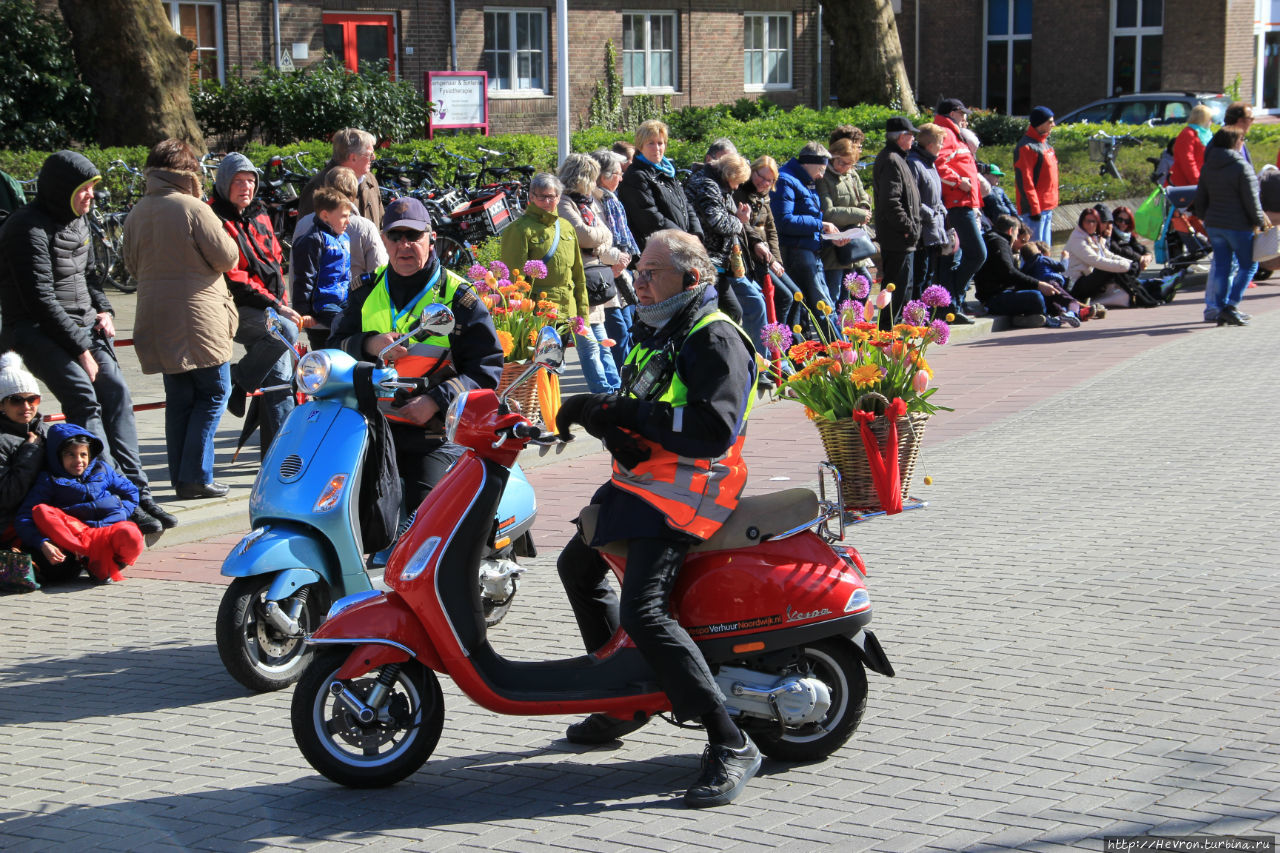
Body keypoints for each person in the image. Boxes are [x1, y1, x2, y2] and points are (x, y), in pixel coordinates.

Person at [554, 229, 762, 809]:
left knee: (645, 611)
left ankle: (731, 741)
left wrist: (627, 413)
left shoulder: (714, 336)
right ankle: (629, 696)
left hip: (690, 488)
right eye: (638, 272)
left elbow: (710, 431)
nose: (637, 282)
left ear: (690, 279)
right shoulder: (660, 327)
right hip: (646, 480)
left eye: (650, 273)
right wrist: (596, 413)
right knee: (576, 566)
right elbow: (645, 410)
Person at [0, 151, 175, 533]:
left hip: (81, 326)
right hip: (33, 329)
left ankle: (137, 492)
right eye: (85, 189)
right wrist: (81, 349)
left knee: (116, 392)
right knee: (84, 399)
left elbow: (91, 276)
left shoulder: (80, 222)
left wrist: (105, 309)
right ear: (63, 189)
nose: (91, 197)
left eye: (94, 188)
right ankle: (105, 494)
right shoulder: (25, 228)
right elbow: (40, 299)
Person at [331, 197, 503, 511]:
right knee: (336, 507)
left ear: (431, 238)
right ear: (384, 240)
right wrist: (369, 343)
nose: (404, 245)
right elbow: (334, 346)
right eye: (395, 237)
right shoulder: (365, 291)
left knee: (424, 517)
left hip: (435, 436)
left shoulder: (458, 296)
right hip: (371, 432)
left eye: (414, 236)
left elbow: (486, 368)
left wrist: (435, 401)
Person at [124, 138, 241, 500]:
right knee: (214, 391)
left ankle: (182, 477)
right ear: (188, 170)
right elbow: (227, 257)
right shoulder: (193, 208)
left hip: (155, 318)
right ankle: (196, 476)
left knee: (178, 398)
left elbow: (130, 266)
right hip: (199, 317)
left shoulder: (137, 211)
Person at [209, 153, 301, 455]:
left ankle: (279, 457)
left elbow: (276, 263)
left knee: (280, 383)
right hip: (238, 307)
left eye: (251, 181)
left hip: (271, 306)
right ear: (224, 183)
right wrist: (278, 305)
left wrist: (282, 301)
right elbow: (234, 277)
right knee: (284, 331)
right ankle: (242, 377)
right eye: (238, 181)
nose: (246, 187)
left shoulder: (260, 213)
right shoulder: (214, 218)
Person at [501, 173, 612, 393]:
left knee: (580, 353)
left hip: (568, 309)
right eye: (541, 197)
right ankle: (543, 411)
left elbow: (578, 274)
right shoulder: (519, 229)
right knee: (544, 366)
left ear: (559, 197)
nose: (547, 202)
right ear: (531, 197)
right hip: (539, 312)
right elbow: (513, 281)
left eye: (552, 197)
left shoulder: (566, 227)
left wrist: (582, 314)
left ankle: (597, 398)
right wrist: (519, 316)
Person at [15, 424, 144, 584]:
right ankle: (91, 557)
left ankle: (96, 560)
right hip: (75, 535)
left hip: (107, 529)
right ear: (58, 457)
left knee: (131, 533)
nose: (79, 461)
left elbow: (131, 492)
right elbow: (25, 516)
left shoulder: (102, 469)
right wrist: (42, 543)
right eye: (71, 455)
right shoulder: (49, 480)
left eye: (83, 454)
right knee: (41, 511)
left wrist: (121, 513)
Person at [0, 354, 79, 584]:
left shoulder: (48, 432)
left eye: (32, 399)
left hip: (48, 518)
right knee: (59, 571)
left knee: (68, 566)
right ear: (2, 405)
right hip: (13, 525)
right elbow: (7, 496)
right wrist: (30, 453)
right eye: (16, 400)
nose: (26, 406)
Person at [684, 152, 769, 360]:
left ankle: (732, 357)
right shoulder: (707, 185)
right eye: (737, 181)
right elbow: (718, 222)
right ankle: (725, 358)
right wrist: (740, 221)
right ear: (729, 174)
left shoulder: (718, 184)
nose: (738, 187)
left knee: (732, 311)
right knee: (730, 312)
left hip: (719, 262)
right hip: (708, 261)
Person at [557, 154, 624, 394]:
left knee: (603, 344)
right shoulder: (564, 203)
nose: (595, 184)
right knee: (589, 347)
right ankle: (603, 392)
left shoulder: (585, 204)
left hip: (592, 284)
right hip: (577, 285)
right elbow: (583, 235)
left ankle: (614, 389)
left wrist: (595, 240)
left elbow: (604, 234)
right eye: (592, 179)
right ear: (583, 178)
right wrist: (597, 239)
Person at [1194, 125, 1269, 326]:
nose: (1243, 143)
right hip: (1238, 226)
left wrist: (1203, 217)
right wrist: (1259, 222)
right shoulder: (1241, 166)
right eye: (1242, 140)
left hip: (1215, 224)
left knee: (1222, 268)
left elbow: (1200, 196)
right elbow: (1252, 199)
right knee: (1249, 265)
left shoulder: (1209, 165)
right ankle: (1231, 306)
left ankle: (1219, 309)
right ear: (1235, 142)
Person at [772, 142, 844, 336]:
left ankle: (836, 349)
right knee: (823, 305)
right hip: (797, 252)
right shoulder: (786, 180)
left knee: (822, 304)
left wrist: (828, 236)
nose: (822, 175)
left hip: (809, 249)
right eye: (821, 169)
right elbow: (784, 221)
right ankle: (842, 352)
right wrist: (821, 225)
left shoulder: (805, 181)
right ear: (808, 164)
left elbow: (808, 217)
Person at [734, 155, 804, 334]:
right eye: (761, 177)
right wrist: (770, 261)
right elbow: (744, 229)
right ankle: (776, 340)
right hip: (753, 257)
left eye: (769, 180)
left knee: (797, 296)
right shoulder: (740, 193)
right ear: (752, 171)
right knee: (785, 297)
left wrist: (777, 261)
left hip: (768, 256)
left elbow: (771, 230)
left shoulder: (764, 197)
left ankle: (790, 340)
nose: (764, 183)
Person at [933, 98, 987, 322]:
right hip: (957, 204)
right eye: (963, 114)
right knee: (977, 253)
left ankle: (952, 303)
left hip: (965, 203)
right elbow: (939, 163)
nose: (965, 118)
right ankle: (951, 295)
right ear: (953, 113)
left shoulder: (956, 135)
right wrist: (958, 182)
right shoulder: (946, 134)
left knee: (960, 256)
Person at [975, 214, 1079, 327]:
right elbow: (1009, 273)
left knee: (1044, 292)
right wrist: (1038, 284)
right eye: (1017, 233)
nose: (1016, 238)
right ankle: (1036, 318)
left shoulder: (1000, 242)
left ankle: (1033, 317)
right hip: (994, 298)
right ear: (1011, 231)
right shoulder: (998, 243)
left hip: (1003, 293)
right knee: (1036, 297)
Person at [292, 166, 387, 287]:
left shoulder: (304, 223)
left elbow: (295, 271)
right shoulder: (365, 227)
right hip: (356, 301)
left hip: (311, 301)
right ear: (354, 191)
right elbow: (380, 271)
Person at [617, 120, 703, 250]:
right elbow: (649, 216)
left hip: (682, 245)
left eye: (660, 143)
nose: (657, 148)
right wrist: (684, 238)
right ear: (640, 146)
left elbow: (686, 205)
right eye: (651, 143)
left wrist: (696, 234)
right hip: (658, 249)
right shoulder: (636, 176)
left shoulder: (668, 172)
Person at [590, 149, 640, 369]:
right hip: (606, 279)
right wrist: (616, 259)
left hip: (621, 277)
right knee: (618, 335)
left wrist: (624, 259)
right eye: (618, 173)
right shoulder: (592, 202)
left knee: (629, 330)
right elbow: (593, 242)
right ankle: (622, 386)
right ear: (604, 176)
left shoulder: (612, 200)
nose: (621, 178)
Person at [872, 117, 923, 329]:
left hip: (904, 238)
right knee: (896, 288)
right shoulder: (891, 160)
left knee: (904, 289)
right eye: (911, 134)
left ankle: (896, 332)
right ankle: (888, 334)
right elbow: (890, 201)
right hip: (898, 238)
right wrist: (908, 228)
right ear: (902, 136)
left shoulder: (898, 158)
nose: (913, 139)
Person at [291, 186, 352, 350]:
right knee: (344, 323)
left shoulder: (343, 237)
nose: (348, 221)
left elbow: (347, 274)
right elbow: (304, 277)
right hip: (323, 303)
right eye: (344, 216)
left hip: (344, 299)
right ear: (325, 216)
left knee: (364, 317)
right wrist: (304, 312)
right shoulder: (313, 240)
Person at [817, 132, 874, 304]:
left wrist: (865, 207)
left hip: (854, 241)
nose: (844, 167)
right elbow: (828, 212)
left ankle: (855, 326)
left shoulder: (852, 174)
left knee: (865, 284)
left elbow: (864, 196)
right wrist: (860, 214)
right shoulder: (824, 178)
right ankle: (835, 329)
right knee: (835, 291)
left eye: (849, 164)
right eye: (841, 162)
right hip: (835, 242)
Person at [297, 127, 384, 226]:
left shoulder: (370, 180)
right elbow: (307, 232)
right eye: (369, 154)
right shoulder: (319, 187)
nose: (374, 158)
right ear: (353, 157)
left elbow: (382, 224)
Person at [1064, 207, 1141, 309]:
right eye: (1088, 221)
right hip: (1074, 285)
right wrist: (1127, 266)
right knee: (1107, 269)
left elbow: (1108, 254)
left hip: (1088, 279)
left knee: (1116, 268)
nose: (1091, 225)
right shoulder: (1077, 238)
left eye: (1094, 222)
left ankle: (1138, 295)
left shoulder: (1093, 236)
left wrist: (1131, 263)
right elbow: (1096, 260)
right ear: (1081, 221)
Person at [907, 123, 949, 299]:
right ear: (931, 144)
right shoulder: (914, 163)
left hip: (933, 229)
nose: (941, 147)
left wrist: (942, 211)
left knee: (929, 275)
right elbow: (912, 197)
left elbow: (935, 195)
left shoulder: (929, 164)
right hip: (922, 230)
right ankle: (916, 316)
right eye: (940, 143)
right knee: (920, 275)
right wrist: (929, 213)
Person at [1013, 106, 1059, 245]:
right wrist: (1034, 208)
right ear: (1040, 123)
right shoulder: (1026, 147)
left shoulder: (1045, 144)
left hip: (1046, 207)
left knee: (1044, 251)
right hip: (1034, 210)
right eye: (1049, 122)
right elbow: (1025, 181)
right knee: (1033, 251)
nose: (1053, 125)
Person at [1169, 105, 1213, 187]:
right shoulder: (1188, 133)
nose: (1211, 122)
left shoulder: (1206, 134)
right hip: (1185, 183)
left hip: (1203, 180)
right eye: (1210, 119)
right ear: (1203, 119)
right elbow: (1187, 161)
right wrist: (1197, 181)